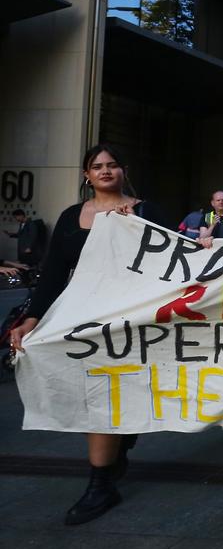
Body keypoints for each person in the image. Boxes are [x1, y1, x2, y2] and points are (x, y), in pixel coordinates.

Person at [9, 144, 166, 525]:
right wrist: (32, 317)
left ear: (123, 171)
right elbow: (52, 273)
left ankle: (100, 483)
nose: (106, 171)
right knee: (93, 398)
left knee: (106, 399)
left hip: (131, 322)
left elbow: (172, 264)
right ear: (87, 175)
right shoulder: (70, 217)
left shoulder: (146, 211)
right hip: (81, 320)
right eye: (97, 166)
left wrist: (135, 228)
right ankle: (114, 454)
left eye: (112, 165)